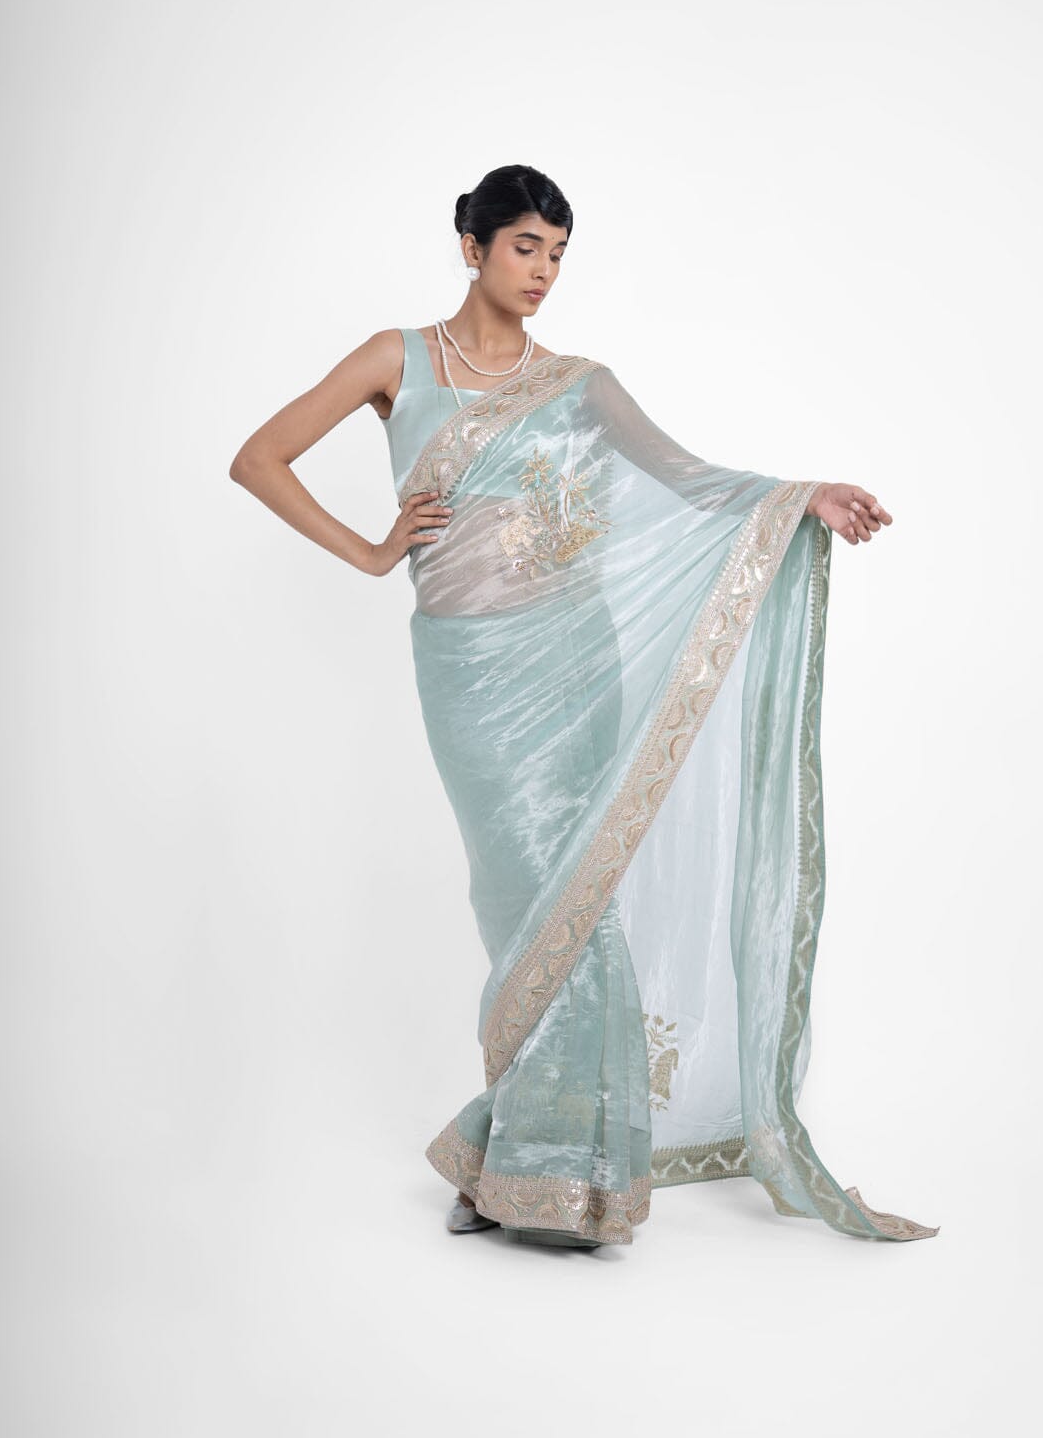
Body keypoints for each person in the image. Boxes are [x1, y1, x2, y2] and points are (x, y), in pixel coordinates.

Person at [229, 163, 939, 1251]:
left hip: (578, 661)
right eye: (526, 247)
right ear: (472, 246)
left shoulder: (580, 382)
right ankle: (524, 1154)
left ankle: (558, 1169)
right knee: (518, 901)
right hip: (469, 670)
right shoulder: (396, 359)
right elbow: (259, 458)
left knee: (580, 903)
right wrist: (372, 552)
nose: (544, 271)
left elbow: (691, 479)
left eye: (558, 253)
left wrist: (804, 497)